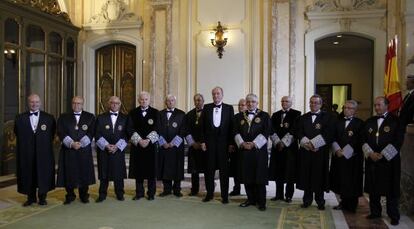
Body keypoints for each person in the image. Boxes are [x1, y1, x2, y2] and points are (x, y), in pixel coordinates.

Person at [362, 96, 404, 226]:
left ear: (387, 106)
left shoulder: (396, 121)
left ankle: (393, 215)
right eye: (375, 105)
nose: (377, 108)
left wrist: (383, 155)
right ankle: (375, 212)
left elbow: (398, 141)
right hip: (372, 161)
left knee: (391, 189)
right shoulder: (369, 121)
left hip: (389, 162)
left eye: (379, 105)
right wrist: (370, 153)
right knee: (373, 187)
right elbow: (362, 139)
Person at [14, 94, 56, 206]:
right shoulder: (19, 118)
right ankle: (30, 198)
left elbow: (51, 134)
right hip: (26, 152)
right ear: (28, 103)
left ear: (40, 103)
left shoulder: (49, 118)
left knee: (43, 174)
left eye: (37, 102)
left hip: (43, 152)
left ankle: (42, 197)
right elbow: (17, 133)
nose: (34, 104)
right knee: (28, 174)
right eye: (32, 102)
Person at [295, 94, 334, 210]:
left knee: (319, 176)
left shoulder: (328, 117)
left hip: (320, 152)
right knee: (306, 175)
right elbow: (299, 132)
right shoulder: (303, 117)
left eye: (316, 103)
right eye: (311, 102)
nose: (313, 104)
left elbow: (328, 133)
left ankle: (320, 201)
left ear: (321, 104)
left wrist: (315, 144)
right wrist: (307, 144)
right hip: (306, 151)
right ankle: (307, 200)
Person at [234, 93, 270, 211]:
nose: (250, 104)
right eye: (248, 102)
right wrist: (242, 143)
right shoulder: (238, 116)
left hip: (259, 152)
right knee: (247, 176)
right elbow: (235, 132)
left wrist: (254, 144)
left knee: (259, 177)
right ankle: (250, 199)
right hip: (244, 151)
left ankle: (262, 202)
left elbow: (266, 132)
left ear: (257, 103)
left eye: (253, 102)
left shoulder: (264, 116)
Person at [57, 96, 96, 204]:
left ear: (82, 104)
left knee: (84, 172)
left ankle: (84, 195)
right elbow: (61, 132)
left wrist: (81, 143)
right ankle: (70, 195)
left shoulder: (90, 117)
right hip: (69, 150)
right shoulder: (63, 117)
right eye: (74, 103)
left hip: (84, 150)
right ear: (71, 104)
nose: (76, 105)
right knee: (69, 173)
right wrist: (71, 143)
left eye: (79, 103)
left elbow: (91, 132)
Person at [200, 86, 234, 204]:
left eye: (218, 94)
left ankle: (225, 196)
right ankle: (209, 194)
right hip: (209, 145)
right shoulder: (207, 108)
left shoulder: (229, 108)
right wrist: (203, 142)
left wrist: (231, 143)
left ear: (222, 95)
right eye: (214, 94)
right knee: (209, 170)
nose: (215, 96)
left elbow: (232, 128)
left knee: (224, 172)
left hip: (224, 146)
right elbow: (202, 127)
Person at [329, 100, 364, 213]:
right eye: (345, 108)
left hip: (353, 158)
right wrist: (337, 149)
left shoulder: (360, 123)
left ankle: (352, 205)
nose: (347, 110)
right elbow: (332, 137)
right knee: (341, 180)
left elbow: (359, 140)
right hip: (338, 156)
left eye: (350, 108)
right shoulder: (336, 122)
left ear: (355, 110)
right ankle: (343, 203)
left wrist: (346, 152)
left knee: (352, 181)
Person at [127, 91, 159, 201]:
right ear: (138, 100)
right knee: (138, 170)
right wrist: (139, 140)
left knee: (151, 171)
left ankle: (151, 193)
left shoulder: (156, 112)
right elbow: (129, 128)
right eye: (141, 99)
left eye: (146, 99)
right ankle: (139, 193)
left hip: (150, 146)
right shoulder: (132, 112)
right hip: (137, 146)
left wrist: (148, 140)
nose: (143, 101)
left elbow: (158, 128)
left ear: (149, 100)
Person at [95, 96, 128, 202]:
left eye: (117, 103)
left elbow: (127, 134)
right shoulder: (100, 117)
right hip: (104, 150)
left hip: (118, 150)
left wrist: (117, 146)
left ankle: (119, 193)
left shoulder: (125, 118)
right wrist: (106, 145)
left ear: (120, 104)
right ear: (109, 104)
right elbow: (97, 133)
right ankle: (102, 194)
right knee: (104, 172)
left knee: (118, 173)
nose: (114, 105)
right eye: (112, 103)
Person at [269, 96, 301, 203]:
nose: (284, 103)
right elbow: (271, 129)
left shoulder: (297, 114)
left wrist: (284, 142)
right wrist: (277, 142)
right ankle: (278, 194)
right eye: (282, 101)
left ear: (291, 103)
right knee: (278, 171)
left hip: (290, 149)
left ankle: (288, 195)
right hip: (277, 148)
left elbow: (295, 130)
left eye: (287, 101)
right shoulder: (275, 114)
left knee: (289, 172)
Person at [157, 95, 186, 197]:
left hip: (176, 147)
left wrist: (173, 143)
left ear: (175, 102)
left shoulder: (181, 114)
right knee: (165, 167)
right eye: (168, 101)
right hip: (163, 146)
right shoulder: (160, 114)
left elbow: (183, 130)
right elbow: (157, 129)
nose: (170, 102)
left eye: (172, 100)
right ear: (165, 102)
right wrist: (163, 142)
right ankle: (167, 189)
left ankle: (177, 189)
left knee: (177, 167)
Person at [185, 93, 206, 196]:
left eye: (199, 100)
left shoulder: (208, 113)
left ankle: (209, 190)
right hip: (193, 146)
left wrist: (203, 143)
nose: (198, 102)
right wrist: (192, 143)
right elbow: (186, 131)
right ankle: (194, 190)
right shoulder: (189, 114)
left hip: (205, 146)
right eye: (196, 100)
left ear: (203, 101)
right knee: (194, 170)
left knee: (207, 170)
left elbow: (209, 130)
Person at [229, 98, 247, 196]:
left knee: (246, 170)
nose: (241, 107)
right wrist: (231, 144)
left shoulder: (250, 117)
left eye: (243, 105)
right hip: (236, 148)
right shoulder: (235, 117)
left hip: (247, 148)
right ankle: (237, 189)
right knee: (236, 169)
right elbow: (231, 132)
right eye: (239, 105)